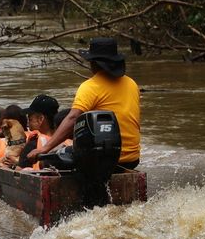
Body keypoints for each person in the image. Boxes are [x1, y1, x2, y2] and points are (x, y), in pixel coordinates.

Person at [27, 38, 141, 169]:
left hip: (101, 161)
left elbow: (73, 117)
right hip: (132, 159)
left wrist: (44, 149)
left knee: (50, 160)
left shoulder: (90, 87)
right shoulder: (132, 84)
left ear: (93, 63)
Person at [19, 95, 59, 169]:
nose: (28, 124)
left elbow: (18, 171)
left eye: (30, 119)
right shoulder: (67, 141)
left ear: (41, 119)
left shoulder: (33, 144)